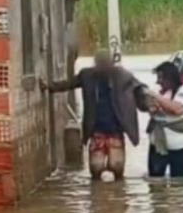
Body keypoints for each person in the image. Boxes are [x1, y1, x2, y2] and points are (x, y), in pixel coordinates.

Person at [40, 49, 149, 181]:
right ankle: (97, 195)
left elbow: (139, 87)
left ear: (111, 63)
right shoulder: (87, 76)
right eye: (100, 63)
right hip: (96, 129)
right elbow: (69, 84)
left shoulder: (122, 75)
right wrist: (50, 86)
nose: (103, 66)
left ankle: (118, 193)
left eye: (105, 63)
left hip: (115, 129)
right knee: (96, 167)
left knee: (116, 166)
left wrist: (146, 100)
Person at [147, 61, 183, 178]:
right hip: (157, 145)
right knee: (155, 181)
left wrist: (157, 98)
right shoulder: (157, 90)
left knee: (179, 182)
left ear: (170, 78)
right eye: (157, 78)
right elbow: (151, 110)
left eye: (161, 78)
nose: (158, 81)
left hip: (181, 146)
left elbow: (177, 109)